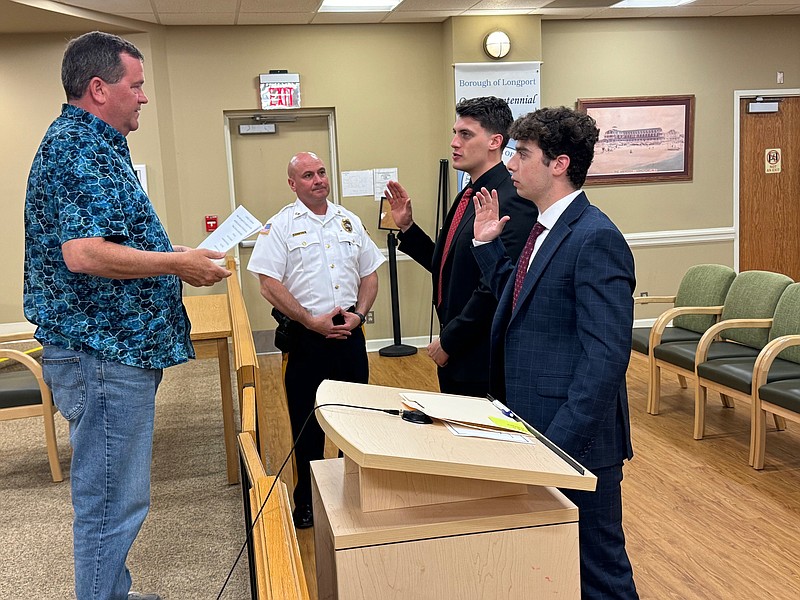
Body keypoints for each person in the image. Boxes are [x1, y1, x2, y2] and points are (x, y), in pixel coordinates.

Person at [23, 32, 230, 600]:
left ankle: (112, 592)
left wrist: (177, 258)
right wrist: (178, 264)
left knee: (115, 496)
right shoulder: (76, 148)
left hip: (115, 348)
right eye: (135, 86)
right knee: (110, 501)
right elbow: (83, 252)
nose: (143, 97)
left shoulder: (97, 145)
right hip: (102, 352)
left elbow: (107, 241)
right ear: (98, 88)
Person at [472, 106, 639, 599]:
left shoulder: (596, 237)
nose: (510, 166)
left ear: (559, 164)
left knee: (598, 569)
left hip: (574, 439)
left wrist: (558, 446)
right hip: (533, 426)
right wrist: (487, 248)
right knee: (555, 562)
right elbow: (522, 305)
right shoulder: (544, 229)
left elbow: (606, 359)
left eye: (521, 154)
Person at [247, 151, 385, 529]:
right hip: (308, 340)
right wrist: (309, 320)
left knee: (354, 419)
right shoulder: (280, 226)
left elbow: (370, 274)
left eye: (321, 172)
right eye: (308, 175)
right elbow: (267, 283)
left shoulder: (348, 221)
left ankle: (350, 495)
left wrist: (359, 314)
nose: (318, 180)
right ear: (293, 184)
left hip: (350, 336)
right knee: (307, 425)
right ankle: (306, 503)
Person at [384, 96, 537, 397]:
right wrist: (408, 228)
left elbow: (495, 286)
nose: (455, 142)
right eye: (455, 133)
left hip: (483, 356)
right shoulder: (468, 193)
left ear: (495, 141)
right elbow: (448, 266)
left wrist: (450, 340)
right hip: (458, 353)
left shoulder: (510, 199)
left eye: (465, 135)